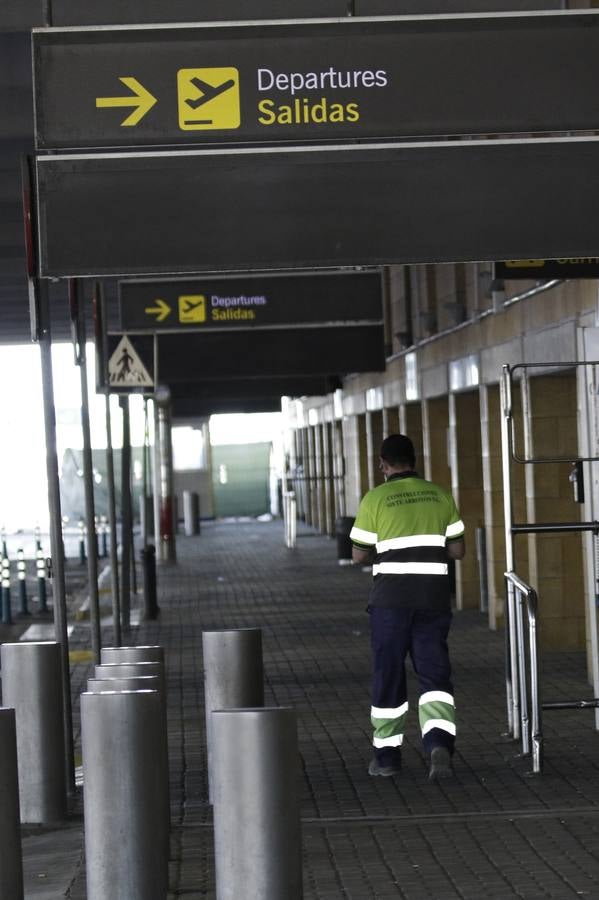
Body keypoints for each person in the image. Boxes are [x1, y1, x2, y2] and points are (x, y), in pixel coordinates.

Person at [350, 434, 465, 781]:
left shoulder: (375, 499)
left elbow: (358, 555)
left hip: (390, 602)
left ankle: (387, 758)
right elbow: (458, 551)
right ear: (415, 461)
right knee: (434, 674)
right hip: (432, 599)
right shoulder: (440, 495)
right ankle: (438, 744)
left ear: (383, 464)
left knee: (389, 674)